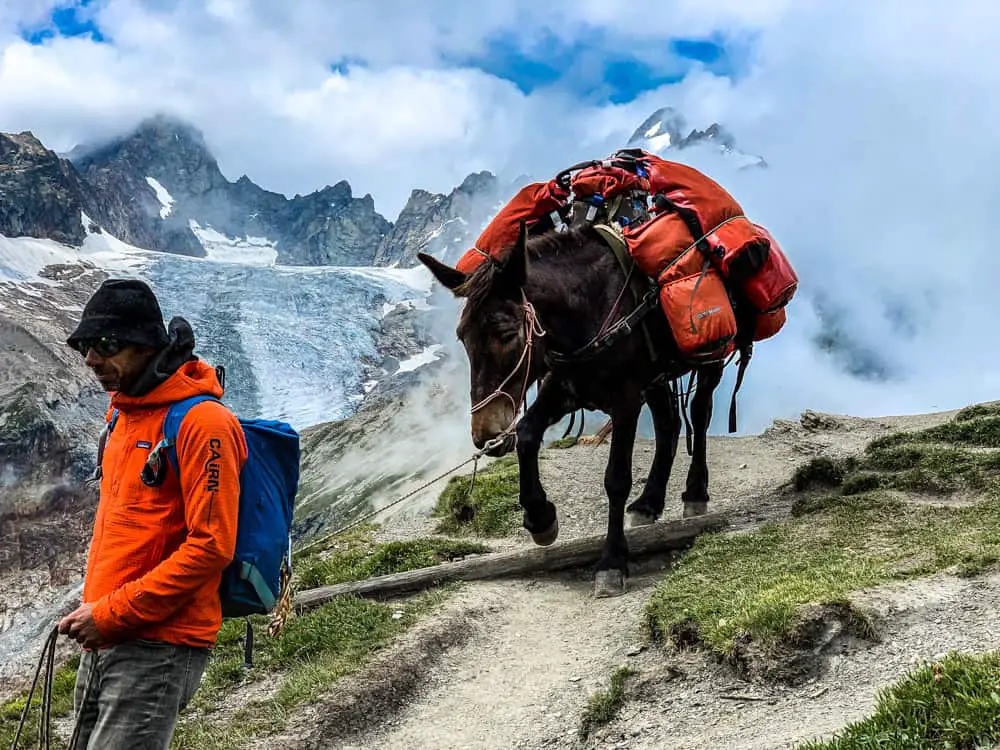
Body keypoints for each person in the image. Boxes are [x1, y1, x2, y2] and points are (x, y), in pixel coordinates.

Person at [58, 278, 247, 749]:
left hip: (158, 641)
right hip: (107, 630)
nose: (92, 360)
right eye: (86, 345)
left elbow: (210, 547)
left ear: (147, 345)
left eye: (107, 345)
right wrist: (100, 612)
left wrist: (113, 612)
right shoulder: (122, 415)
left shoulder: (205, 424)